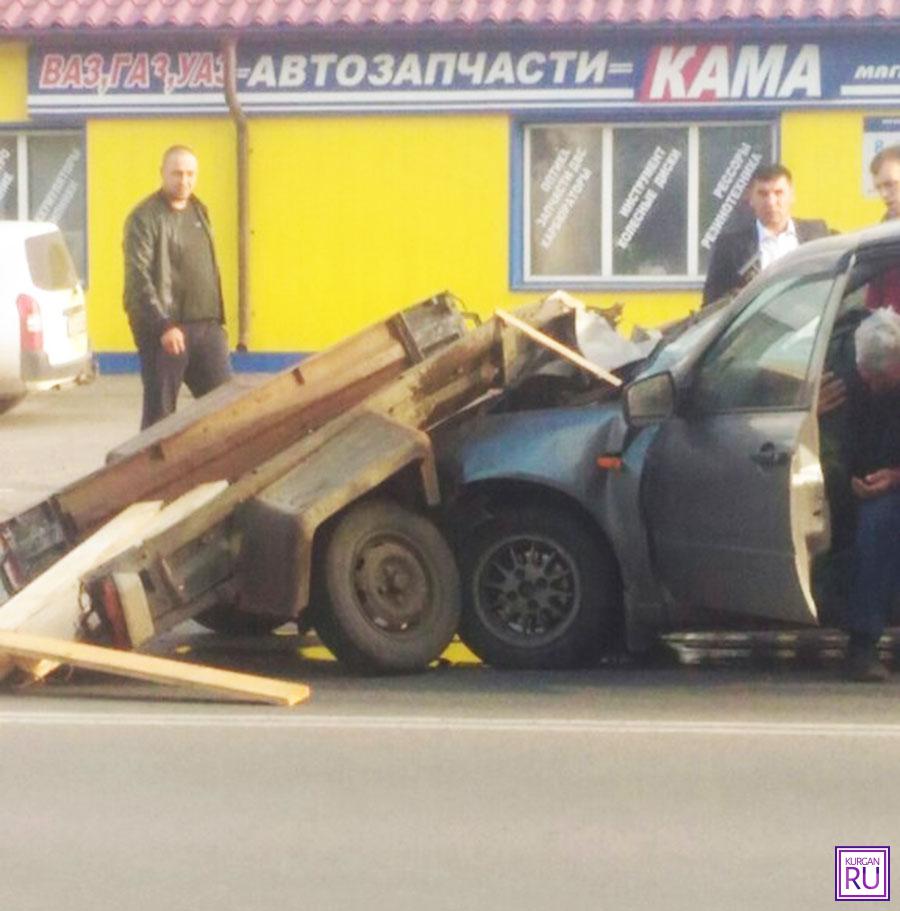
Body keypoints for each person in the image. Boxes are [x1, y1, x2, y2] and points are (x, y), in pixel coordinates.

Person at [123, 145, 233, 429]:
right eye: (177, 174)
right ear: (162, 173)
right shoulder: (143, 218)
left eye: (190, 174)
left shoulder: (199, 210)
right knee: (160, 420)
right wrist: (163, 325)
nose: (183, 180)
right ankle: (149, 473)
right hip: (166, 332)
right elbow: (138, 280)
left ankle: (245, 474)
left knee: (229, 412)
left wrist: (219, 324)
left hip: (206, 328)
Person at [841, 308, 900, 681]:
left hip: (894, 482)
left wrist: (895, 477)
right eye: (864, 374)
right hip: (869, 489)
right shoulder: (854, 383)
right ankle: (862, 643)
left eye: (877, 377)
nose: (869, 382)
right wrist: (849, 478)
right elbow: (844, 446)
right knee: (877, 521)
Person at [702, 163, 830, 306]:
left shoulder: (818, 234)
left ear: (792, 195)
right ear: (750, 198)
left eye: (778, 193)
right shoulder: (729, 246)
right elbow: (711, 305)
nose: (771, 202)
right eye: (763, 194)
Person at [864, 144, 900, 314]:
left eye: (890, 184)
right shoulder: (881, 238)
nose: (884, 194)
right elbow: (873, 301)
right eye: (879, 188)